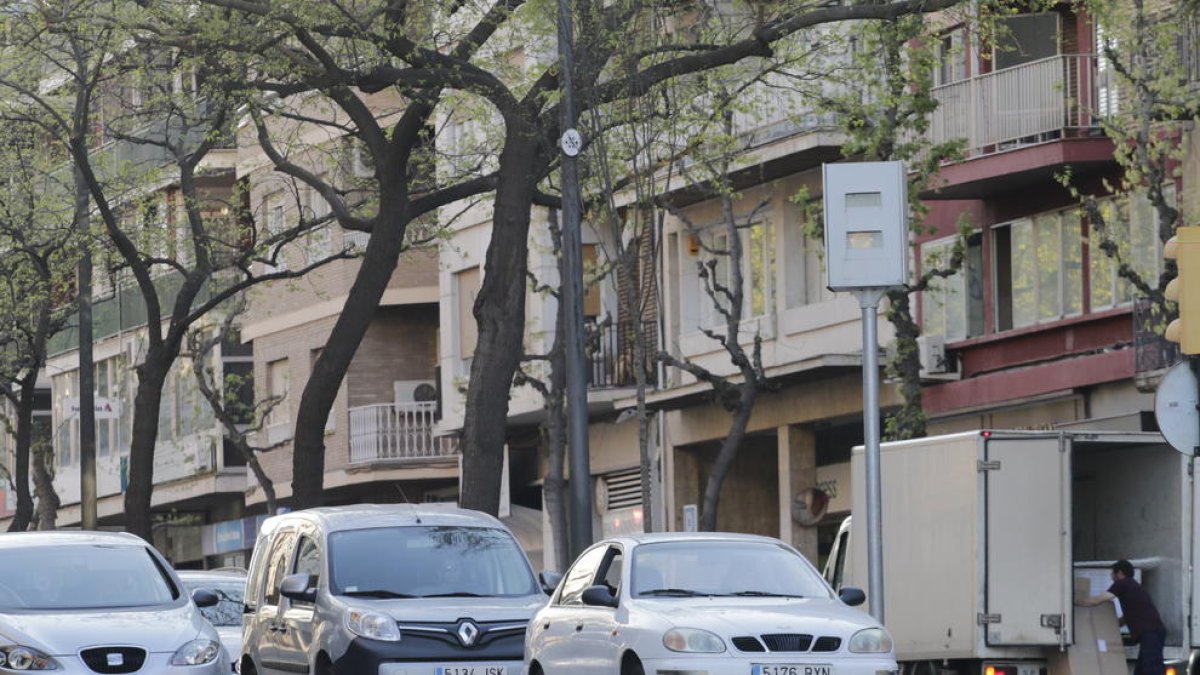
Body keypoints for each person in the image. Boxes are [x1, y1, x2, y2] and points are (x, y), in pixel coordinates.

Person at [1077, 559, 1166, 675]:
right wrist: (1110, 627)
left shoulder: (1123, 583)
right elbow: (1128, 616)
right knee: (1141, 671)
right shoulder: (1133, 586)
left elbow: (1098, 600)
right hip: (1153, 632)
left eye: (1112, 573)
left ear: (1119, 573)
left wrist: (1076, 602)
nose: (1111, 576)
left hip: (1151, 632)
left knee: (1152, 670)